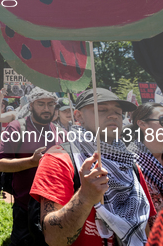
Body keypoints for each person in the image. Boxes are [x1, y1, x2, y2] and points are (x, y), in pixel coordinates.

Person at [30, 88, 156, 246]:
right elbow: (54, 238)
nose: (113, 115)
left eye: (118, 112)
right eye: (102, 110)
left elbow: (145, 227)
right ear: (78, 116)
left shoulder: (129, 164)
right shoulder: (58, 158)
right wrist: (85, 197)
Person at [0, 87, 62, 246]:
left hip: (54, 208)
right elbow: (0, 165)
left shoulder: (59, 132)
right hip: (24, 207)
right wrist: (31, 162)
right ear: (31, 105)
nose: (46, 108)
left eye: (50, 104)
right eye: (41, 104)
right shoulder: (17, 128)